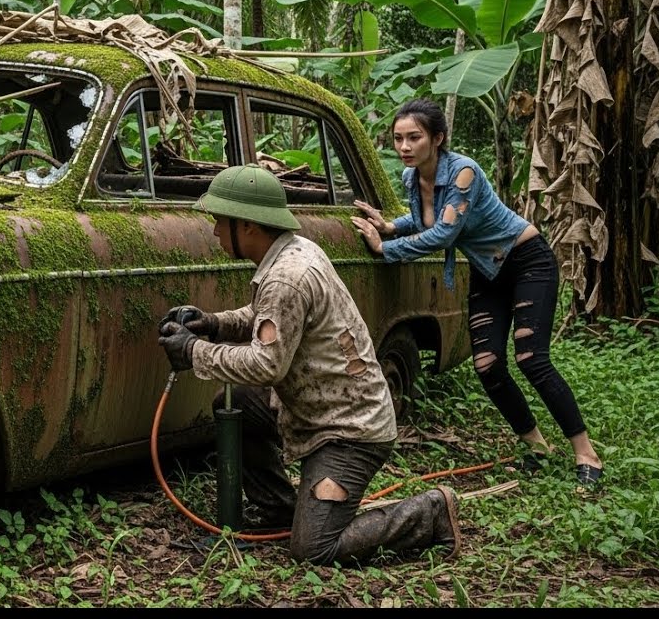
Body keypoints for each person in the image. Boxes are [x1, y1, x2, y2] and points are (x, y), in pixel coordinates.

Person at [157, 164, 462, 566]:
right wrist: (214, 324)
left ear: (247, 225)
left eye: (220, 222)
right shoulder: (294, 249)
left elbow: (267, 365)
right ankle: (281, 509)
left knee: (314, 549)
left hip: (350, 431)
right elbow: (268, 315)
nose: (215, 232)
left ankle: (429, 512)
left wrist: (194, 351)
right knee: (240, 403)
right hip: (318, 410)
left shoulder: (287, 276)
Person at [350, 97, 603, 487]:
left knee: (532, 359)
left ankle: (586, 454)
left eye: (413, 137)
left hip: (525, 260)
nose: (403, 146)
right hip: (488, 271)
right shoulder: (410, 179)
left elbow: (445, 232)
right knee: (487, 365)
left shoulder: (463, 172)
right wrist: (390, 227)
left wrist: (387, 251)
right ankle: (537, 447)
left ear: (437, 138)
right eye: (398, 138)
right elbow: (424, 219)